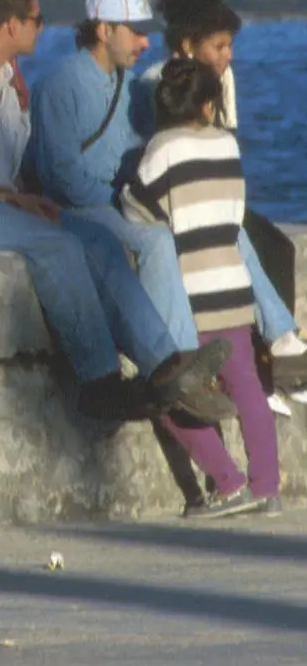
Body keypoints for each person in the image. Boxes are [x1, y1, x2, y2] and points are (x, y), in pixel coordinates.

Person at [0, 0, 231, 424]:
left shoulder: (6, 81)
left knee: (98, 240)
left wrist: (24, 198)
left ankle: (167, 367)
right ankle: (99, 383)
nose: (43, 28)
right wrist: (8, 197)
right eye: (36, 19)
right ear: (10, 25)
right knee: (57, 247)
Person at [122, 58, 279, 517]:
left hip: (187, 294)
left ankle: (228, 482)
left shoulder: (161, 149)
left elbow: (137, 209)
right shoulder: (227, 147)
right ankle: (266, 485)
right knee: (247, 386)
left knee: (169, 391)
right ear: (209, 105)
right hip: (233, 285)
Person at [142, 0, 307, 389]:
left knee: (278, 247)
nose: (229, 55)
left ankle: (270, 355)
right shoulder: (156, 83)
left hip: (213, 196)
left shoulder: (222, 83)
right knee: (242, 244)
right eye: (219, 46)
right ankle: (277, 344)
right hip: (179, 203)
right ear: (186, 45)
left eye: (230, 45)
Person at [27, 0, 201, 356]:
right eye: (136, 33)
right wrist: (123, 202)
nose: (145, 43)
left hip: (115, 202)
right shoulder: (60, 85)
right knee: (153, 240)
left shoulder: (132, 86)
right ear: (104, 31)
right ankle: (176, 357)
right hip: (73, 209)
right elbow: (60, 177)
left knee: (176, 232)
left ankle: (187, 352)